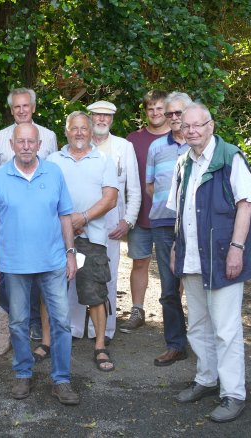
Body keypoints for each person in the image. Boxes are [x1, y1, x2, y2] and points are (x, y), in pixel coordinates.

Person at [168, 103, 251, 423]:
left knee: (226, 329)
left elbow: (246, 204)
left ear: (211, 126)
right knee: (198, 324)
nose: (192, 131)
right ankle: (205, 379)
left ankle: (233, 393)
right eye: (187, 126)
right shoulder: (183, 161)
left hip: (221, 253)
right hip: (191, 255)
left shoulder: (230, 157)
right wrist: (175, 245)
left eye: (198, 125)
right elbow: (180, 209)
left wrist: (237, 248)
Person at [0, 122, 80, 406]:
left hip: (53, 262)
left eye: (31, 142)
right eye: (20, 141)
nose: (26, 146)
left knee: (61, 322)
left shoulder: (54, 172)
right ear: (11, 145)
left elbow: (65, 216)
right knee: (18, 322)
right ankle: (23, 372)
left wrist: (70, 252)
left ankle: (61, 380)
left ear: (39, 145)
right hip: (13, 265)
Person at [46, 112, 118, 371]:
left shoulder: (103, 160)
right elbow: (44, 196)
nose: (78, 133)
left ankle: (100, 345)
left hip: (91, 238)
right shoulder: (52, 161)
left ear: (90, 132)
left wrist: (83, 218)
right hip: (56, 237)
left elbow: (110, 198)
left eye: (83, 129)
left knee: (95, 293)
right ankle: (46, 341)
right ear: (66, 131)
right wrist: (65, 222)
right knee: (50, 291)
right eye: (73, 128)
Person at [0, 88, 58, 341]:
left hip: (40, 220)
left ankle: (33, 322)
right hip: (9, 219)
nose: (21, 110)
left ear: (33, 107)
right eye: (16, 107)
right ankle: (9, 321)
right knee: (10, 271)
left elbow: (55, 174)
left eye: (25, 106)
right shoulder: (0, 137)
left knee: (38, 273)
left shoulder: (48, 136)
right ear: (11, 110)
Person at [86, 100, 140, 344]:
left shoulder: (123, 147)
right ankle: (78, 327)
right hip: (82, 221)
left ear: (112, 120)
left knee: (108, 275)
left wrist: (127, 221)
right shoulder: (79, 144)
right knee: (78, 271)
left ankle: (105, 329)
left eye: (106, 117)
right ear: (89, 118)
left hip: (111, 223)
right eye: (97, 116)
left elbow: (135, 189)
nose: (101, 120)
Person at [144, 92, 192, 366]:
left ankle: (203, 342)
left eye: (179, 113)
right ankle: (176, 345)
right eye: (170, 113)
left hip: (194, 225)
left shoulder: (200, 144)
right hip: (163, 224)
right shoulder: (156, 147)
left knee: (199, 284)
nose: (174, 118)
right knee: (169, 288)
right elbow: (150, 185)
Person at [120, 90, 170, 334]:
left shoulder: (179, 137)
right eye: (151, 108)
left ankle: (173, 313)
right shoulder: (133, 139)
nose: (156, 112)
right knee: (139, 262)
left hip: (170, 216)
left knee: (172, 266)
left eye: (160, 108)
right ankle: (137, 310)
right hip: (141, 214)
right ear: (145, 111)